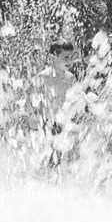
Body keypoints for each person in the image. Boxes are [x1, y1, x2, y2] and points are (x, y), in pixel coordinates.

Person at [28, 39, 78, 169]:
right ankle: (42, 177)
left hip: (62, 125)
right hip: (46, 126)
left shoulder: (70, 79)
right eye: (66, 57)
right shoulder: (43, 77)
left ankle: (55, 180)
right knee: (47, 158)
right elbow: (30, 101)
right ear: (53, 56)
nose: (69, 61)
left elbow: (73, 102)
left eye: (72, 57)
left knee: (60, 157)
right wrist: (37, 119)